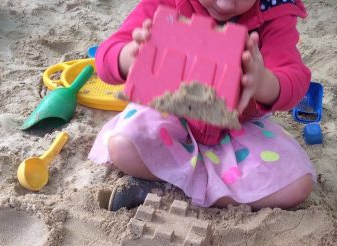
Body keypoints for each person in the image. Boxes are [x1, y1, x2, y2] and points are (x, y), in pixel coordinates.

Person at [88, 0, 316, 211]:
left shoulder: (275, 13)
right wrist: (129, 57)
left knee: (298, 184)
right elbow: (106, 56)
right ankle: (210, 193)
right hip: (168, 114)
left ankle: (172, 188)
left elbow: (294, 79)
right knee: (123, 146)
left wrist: (264, 82)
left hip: (238, 129)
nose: (225, 4)